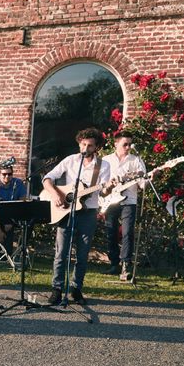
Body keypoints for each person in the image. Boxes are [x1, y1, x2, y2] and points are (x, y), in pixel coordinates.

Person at [42, 127, 110, 305]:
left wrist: (108, 187)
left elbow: (103, 193)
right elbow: (47, 178)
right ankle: (57, 289)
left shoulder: (103, 166)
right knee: (61, 252)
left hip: (88, 212)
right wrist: (56, 195)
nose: (86, 148)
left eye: (90, 145)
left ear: (96, 148)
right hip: (66, 211)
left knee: (82, 253)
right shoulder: (70, 160)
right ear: (79, 143)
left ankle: (76, 289)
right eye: (83, 144)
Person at [101, 131, 146, 280]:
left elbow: (142, 184)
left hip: (129, 201)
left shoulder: (136, 160)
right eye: (124, 144)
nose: (128, 147)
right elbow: (100, 183)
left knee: (127, 232)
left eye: (129, 144)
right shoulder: (106, 160)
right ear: (116, 144)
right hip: (110, 200)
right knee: (111, 232)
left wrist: (151, 177)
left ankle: (126, 265)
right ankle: (114, 264)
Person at [0, 164, 27, 254]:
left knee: (28, 223)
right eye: (4, 174)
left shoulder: (18, 183)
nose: (7, 176)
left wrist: (12, 221)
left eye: (9, 174)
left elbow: (22, 204)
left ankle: (16, 252)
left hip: (13, 214)